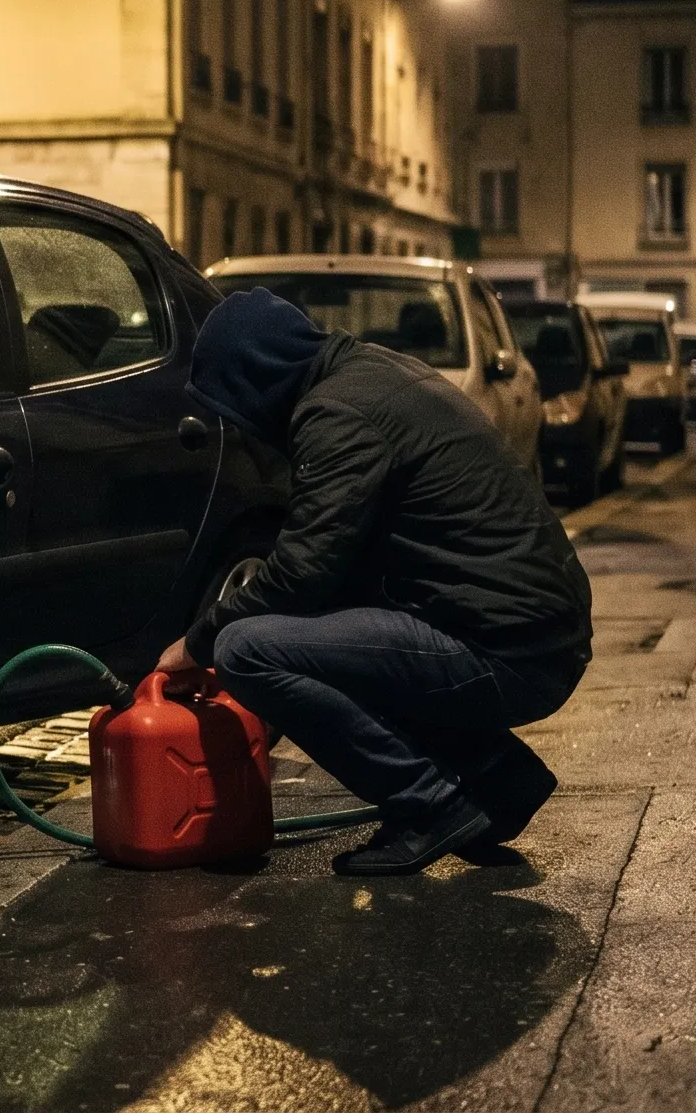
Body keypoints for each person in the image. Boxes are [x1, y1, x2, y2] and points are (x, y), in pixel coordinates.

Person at [159, 287, 592, 876]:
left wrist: (197, 643)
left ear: (255, 378)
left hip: (511, 653)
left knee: (246, 649)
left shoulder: (336, 414)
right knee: (332, 632)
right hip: (534, 636)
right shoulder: (374, 373)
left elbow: (300, 574)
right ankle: (498, 776)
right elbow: (334, 574)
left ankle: (429, 804)